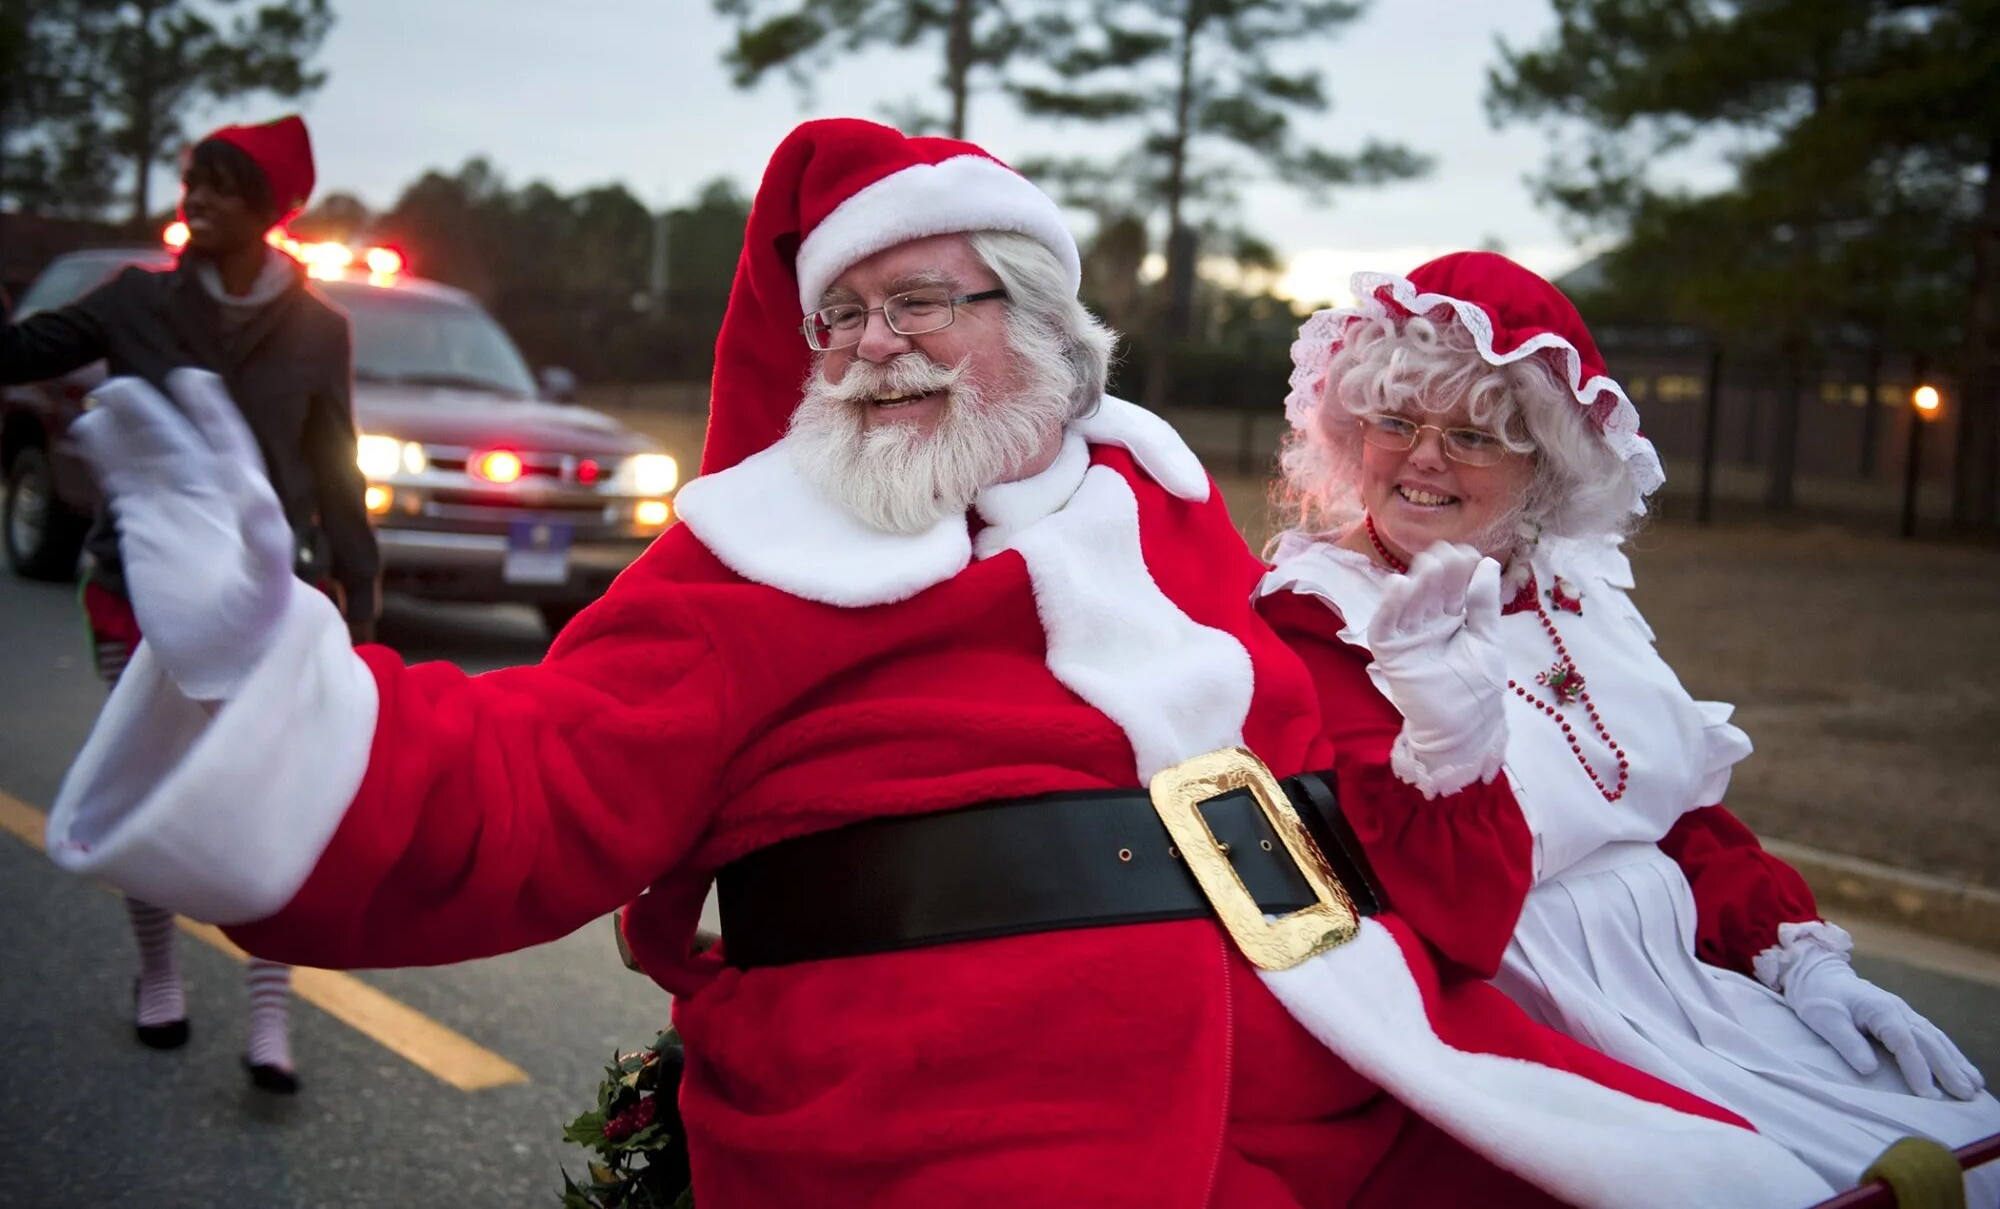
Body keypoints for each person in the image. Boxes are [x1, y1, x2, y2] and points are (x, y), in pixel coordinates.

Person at [44, 122, 1834, 1206]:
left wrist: (1443, 740)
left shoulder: (1164, 509)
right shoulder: (755, 554)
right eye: (846, 314)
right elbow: (524, 781)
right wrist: (259, 663)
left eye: (929, 302)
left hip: (1325, 1073)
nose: (880, 347)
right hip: (949, 1114)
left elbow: (1380, 838)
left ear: (1042, 329)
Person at [1257, 250, 2000, 1197]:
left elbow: (1673, 817)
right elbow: (1439, 922)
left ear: (1543, 467)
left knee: (1956, 1139)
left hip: (1693, 986)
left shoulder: (1576, 592)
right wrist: (1448, 741)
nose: (1425, 456)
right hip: (1521, 1014)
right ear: (1353, 433)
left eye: (1474, 435)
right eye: (1395, 422)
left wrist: (1800, 958)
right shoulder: (1318, 614)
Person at [1, 114, 379, 1093]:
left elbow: (336, 469)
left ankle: (268, 1018)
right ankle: (159, 976)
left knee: (268, 795)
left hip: (264, 601)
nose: (195, 202)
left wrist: (360, 598)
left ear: (269, 210)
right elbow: (27, 348)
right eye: (192, 183)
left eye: (219, 186)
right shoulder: (135, 301)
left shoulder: (317, 328)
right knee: (150, 784)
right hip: (136, 585)